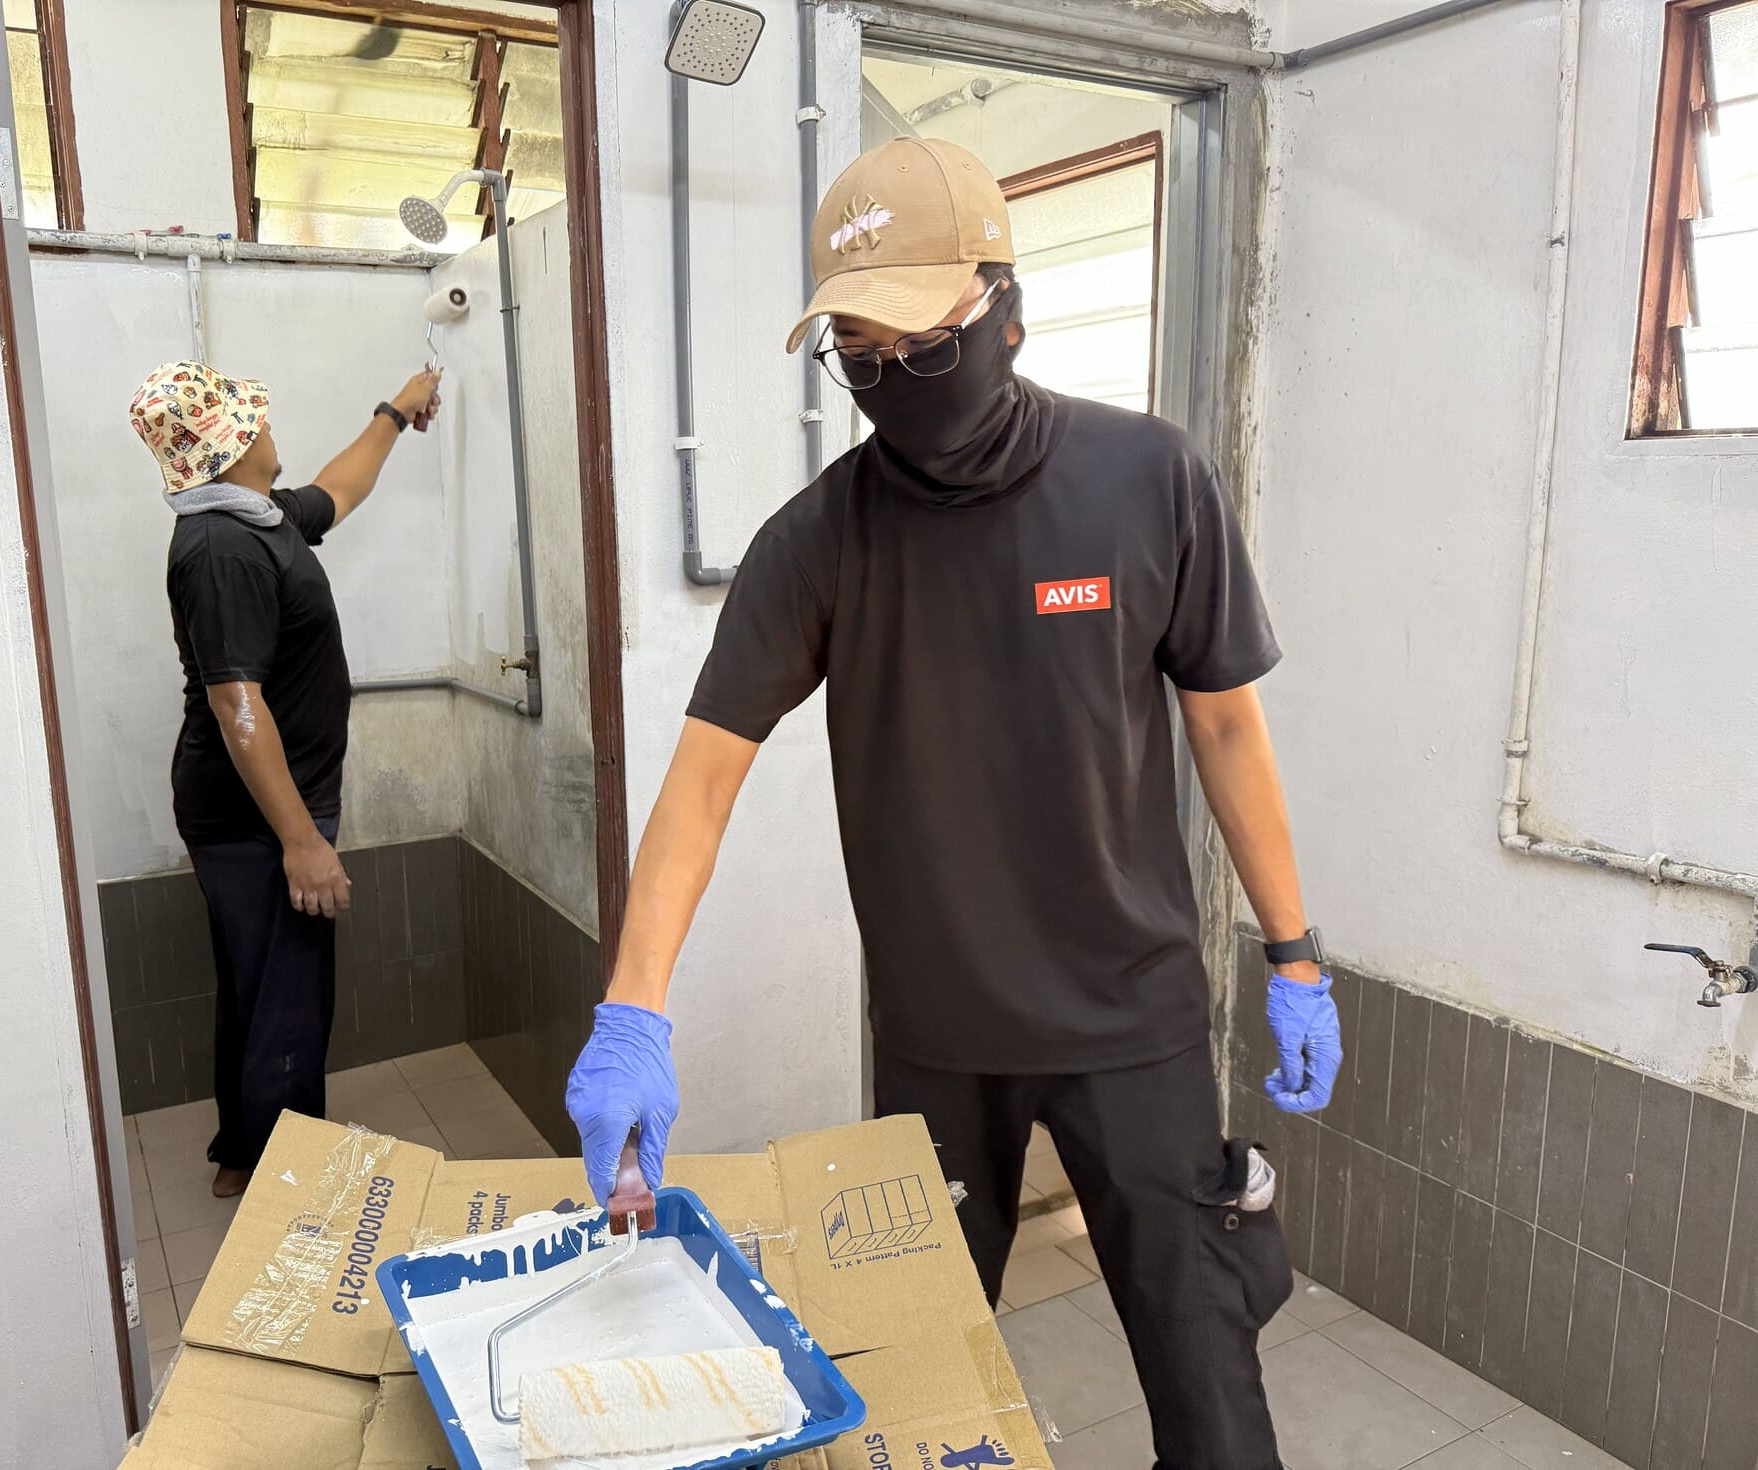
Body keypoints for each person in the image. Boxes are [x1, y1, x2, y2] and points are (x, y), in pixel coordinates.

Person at [565, 138, 1343, 1468]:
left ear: (1004, 308)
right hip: (938, 1032)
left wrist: (1295, 953)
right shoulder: (819, 540)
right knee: (921, 1385)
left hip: (1133, 1020)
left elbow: (1223, 721)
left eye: (921, 346)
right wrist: (632, 1007)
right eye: (858, 355)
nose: (893, 382)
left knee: (1208, 1376)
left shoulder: (1148, 480)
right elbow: (702, 779)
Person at [128, 359, 442, 1197]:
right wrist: (301, 841)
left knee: (262, 988)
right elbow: (238, 703)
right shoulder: (222, 548)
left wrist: (395, 410)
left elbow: (338, 491)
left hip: (263, 812)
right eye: (254, 420)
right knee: (289, 1003)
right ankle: (290, 1192)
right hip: (260, 819)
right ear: (231, 445)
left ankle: (246, 1155)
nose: (269, 427)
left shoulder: (255, 518)